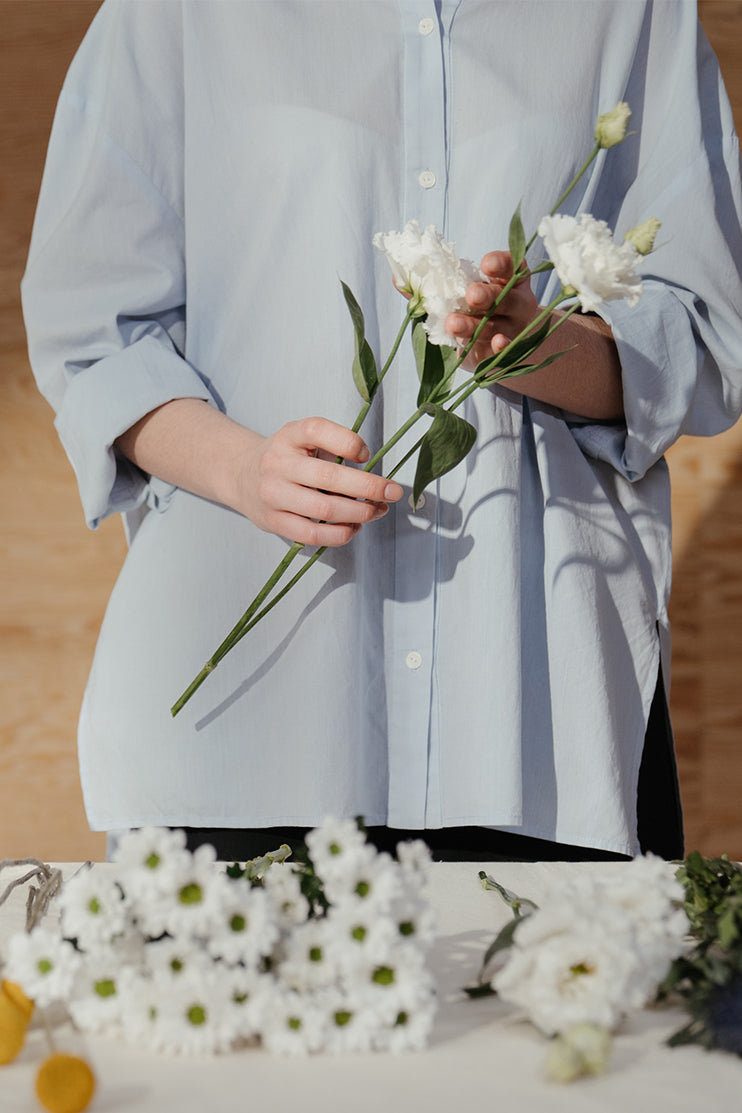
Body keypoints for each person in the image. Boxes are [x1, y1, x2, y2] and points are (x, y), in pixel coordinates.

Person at [22, 0, 742, 862]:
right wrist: (245, 471)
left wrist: (536, 345)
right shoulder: (173, 14)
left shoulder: (634, 13)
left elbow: (705, 335)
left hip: (539, 727)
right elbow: (94, 329)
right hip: (250, 724)